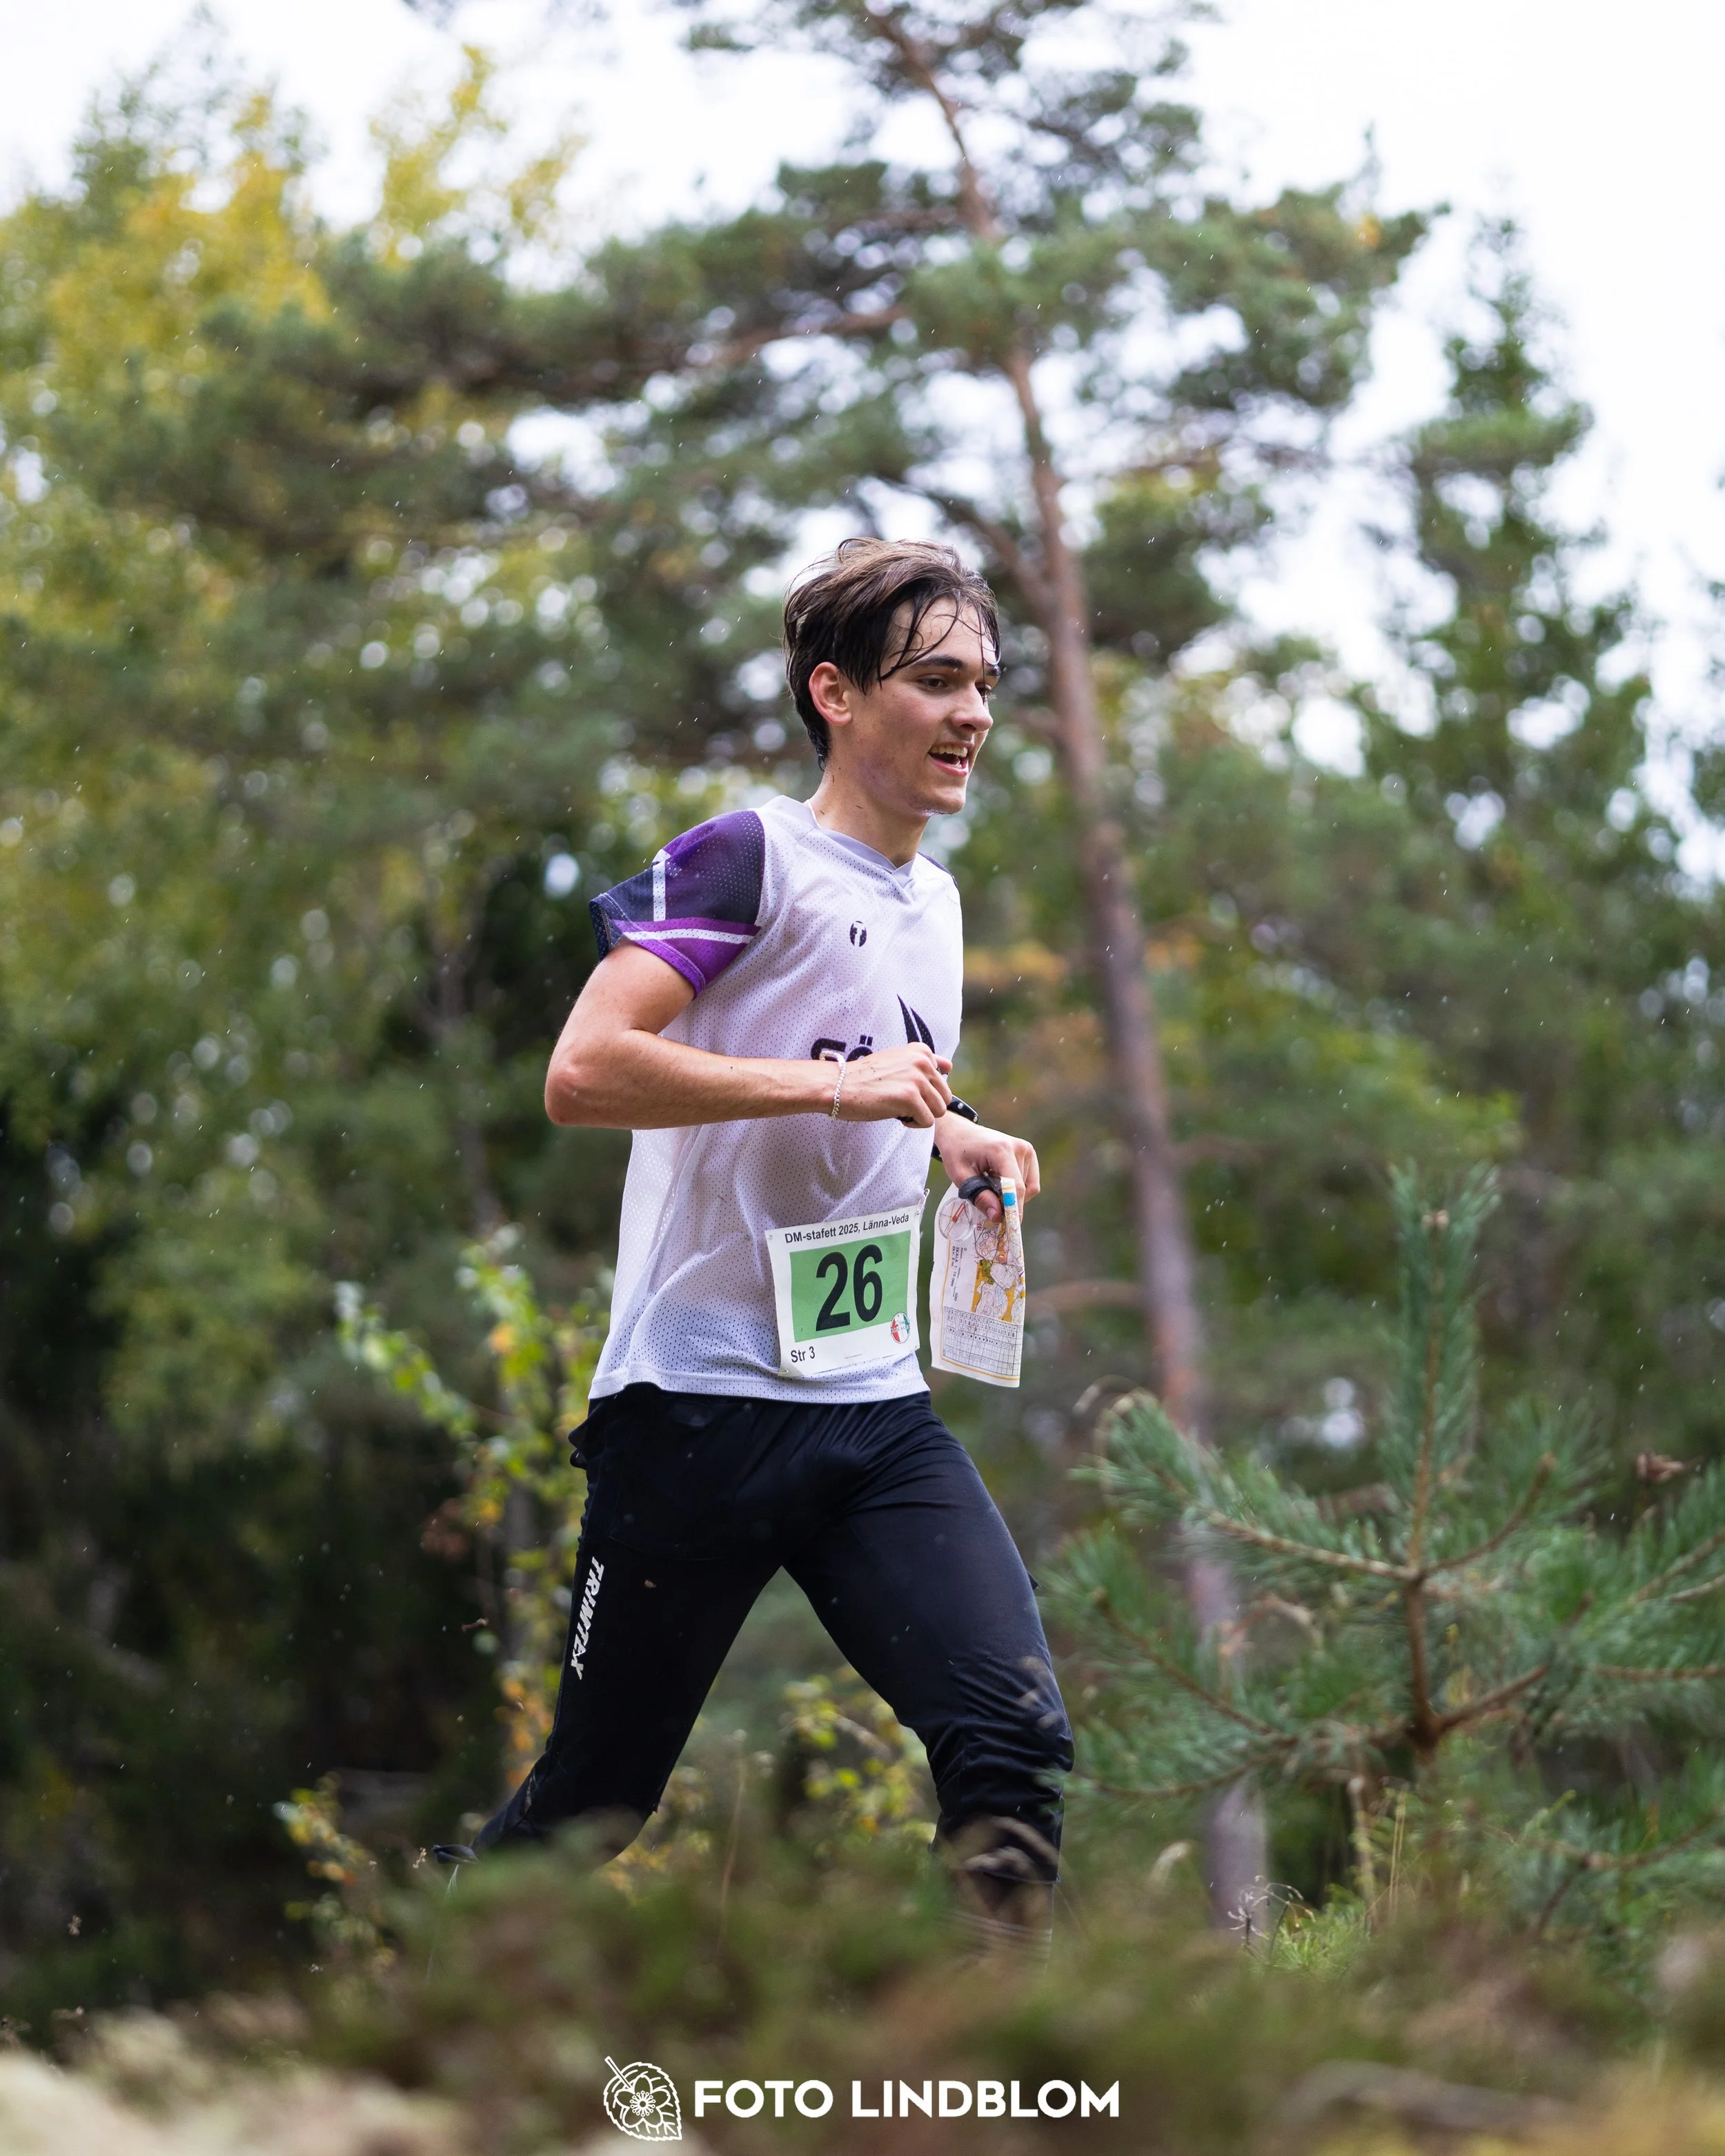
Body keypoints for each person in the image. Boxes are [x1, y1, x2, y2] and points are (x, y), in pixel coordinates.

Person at [440, 538, 1072, 1945]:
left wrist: (953, 1128)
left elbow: (874, 1058)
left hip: (869, 1407)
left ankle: (999, 2043)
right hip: (694, 1408)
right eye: (935, 680)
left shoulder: (936, 901)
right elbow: (583, 1072)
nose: (972, 713)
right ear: (835, 693)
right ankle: (419, 2011)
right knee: (594, 1802)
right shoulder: (745, 855)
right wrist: (831, 1090)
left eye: (984, 682)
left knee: (1011, 1738)